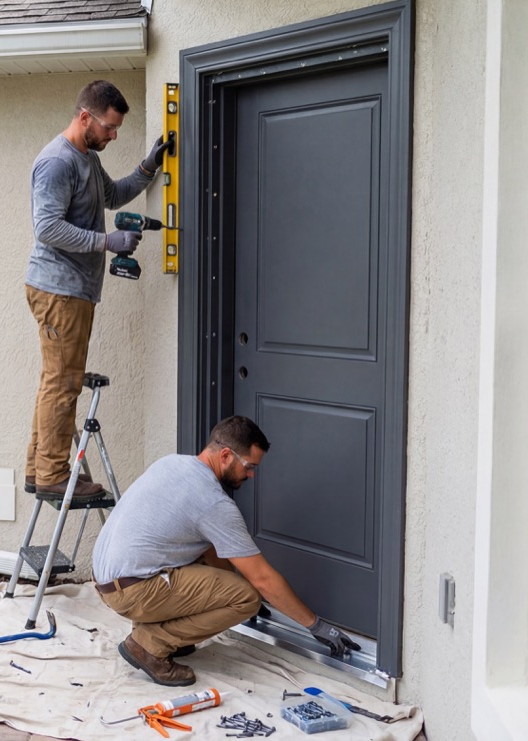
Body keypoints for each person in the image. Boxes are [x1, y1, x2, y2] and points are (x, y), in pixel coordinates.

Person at [91, 416, 361, 687]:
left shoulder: (172, 463)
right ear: (225, 455)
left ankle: (159, 631)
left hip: (106, 579)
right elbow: (263, 579)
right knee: (246, 598)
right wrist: (316, 625)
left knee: (221, 575)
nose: (252, 475)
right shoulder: (213, 503)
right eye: (249, 466)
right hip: (132, 591)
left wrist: (227, 588)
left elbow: (210, 549)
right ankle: (149, 644)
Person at [25, 80, 170, 502]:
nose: (113, 135)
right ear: (85, 117)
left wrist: (148, 167)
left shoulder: (86, 158)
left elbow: (111, 195)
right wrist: (107, 242)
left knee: (56, 381)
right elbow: (47, 228)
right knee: (63, 383)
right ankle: (53, 476)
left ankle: (40, 469)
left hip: (73, 290)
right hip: (59, 290)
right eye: (109, 127)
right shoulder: (57, 162)